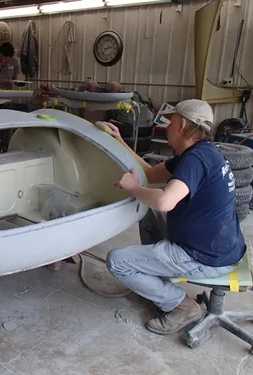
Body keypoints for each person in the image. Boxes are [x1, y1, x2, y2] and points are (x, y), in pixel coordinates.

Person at [105, 99, 246, 335]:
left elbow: (164, 201)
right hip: (218, 246)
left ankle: (182, 306)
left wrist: (131, 188)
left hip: (204, 256)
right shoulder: (199, 153)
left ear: (181, 125)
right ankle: (157, 278)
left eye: (170, 121)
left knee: (117, 261)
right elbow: (149, 174)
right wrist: (119, 142)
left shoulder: (195, 160)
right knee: (147, 210)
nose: (166, 126)